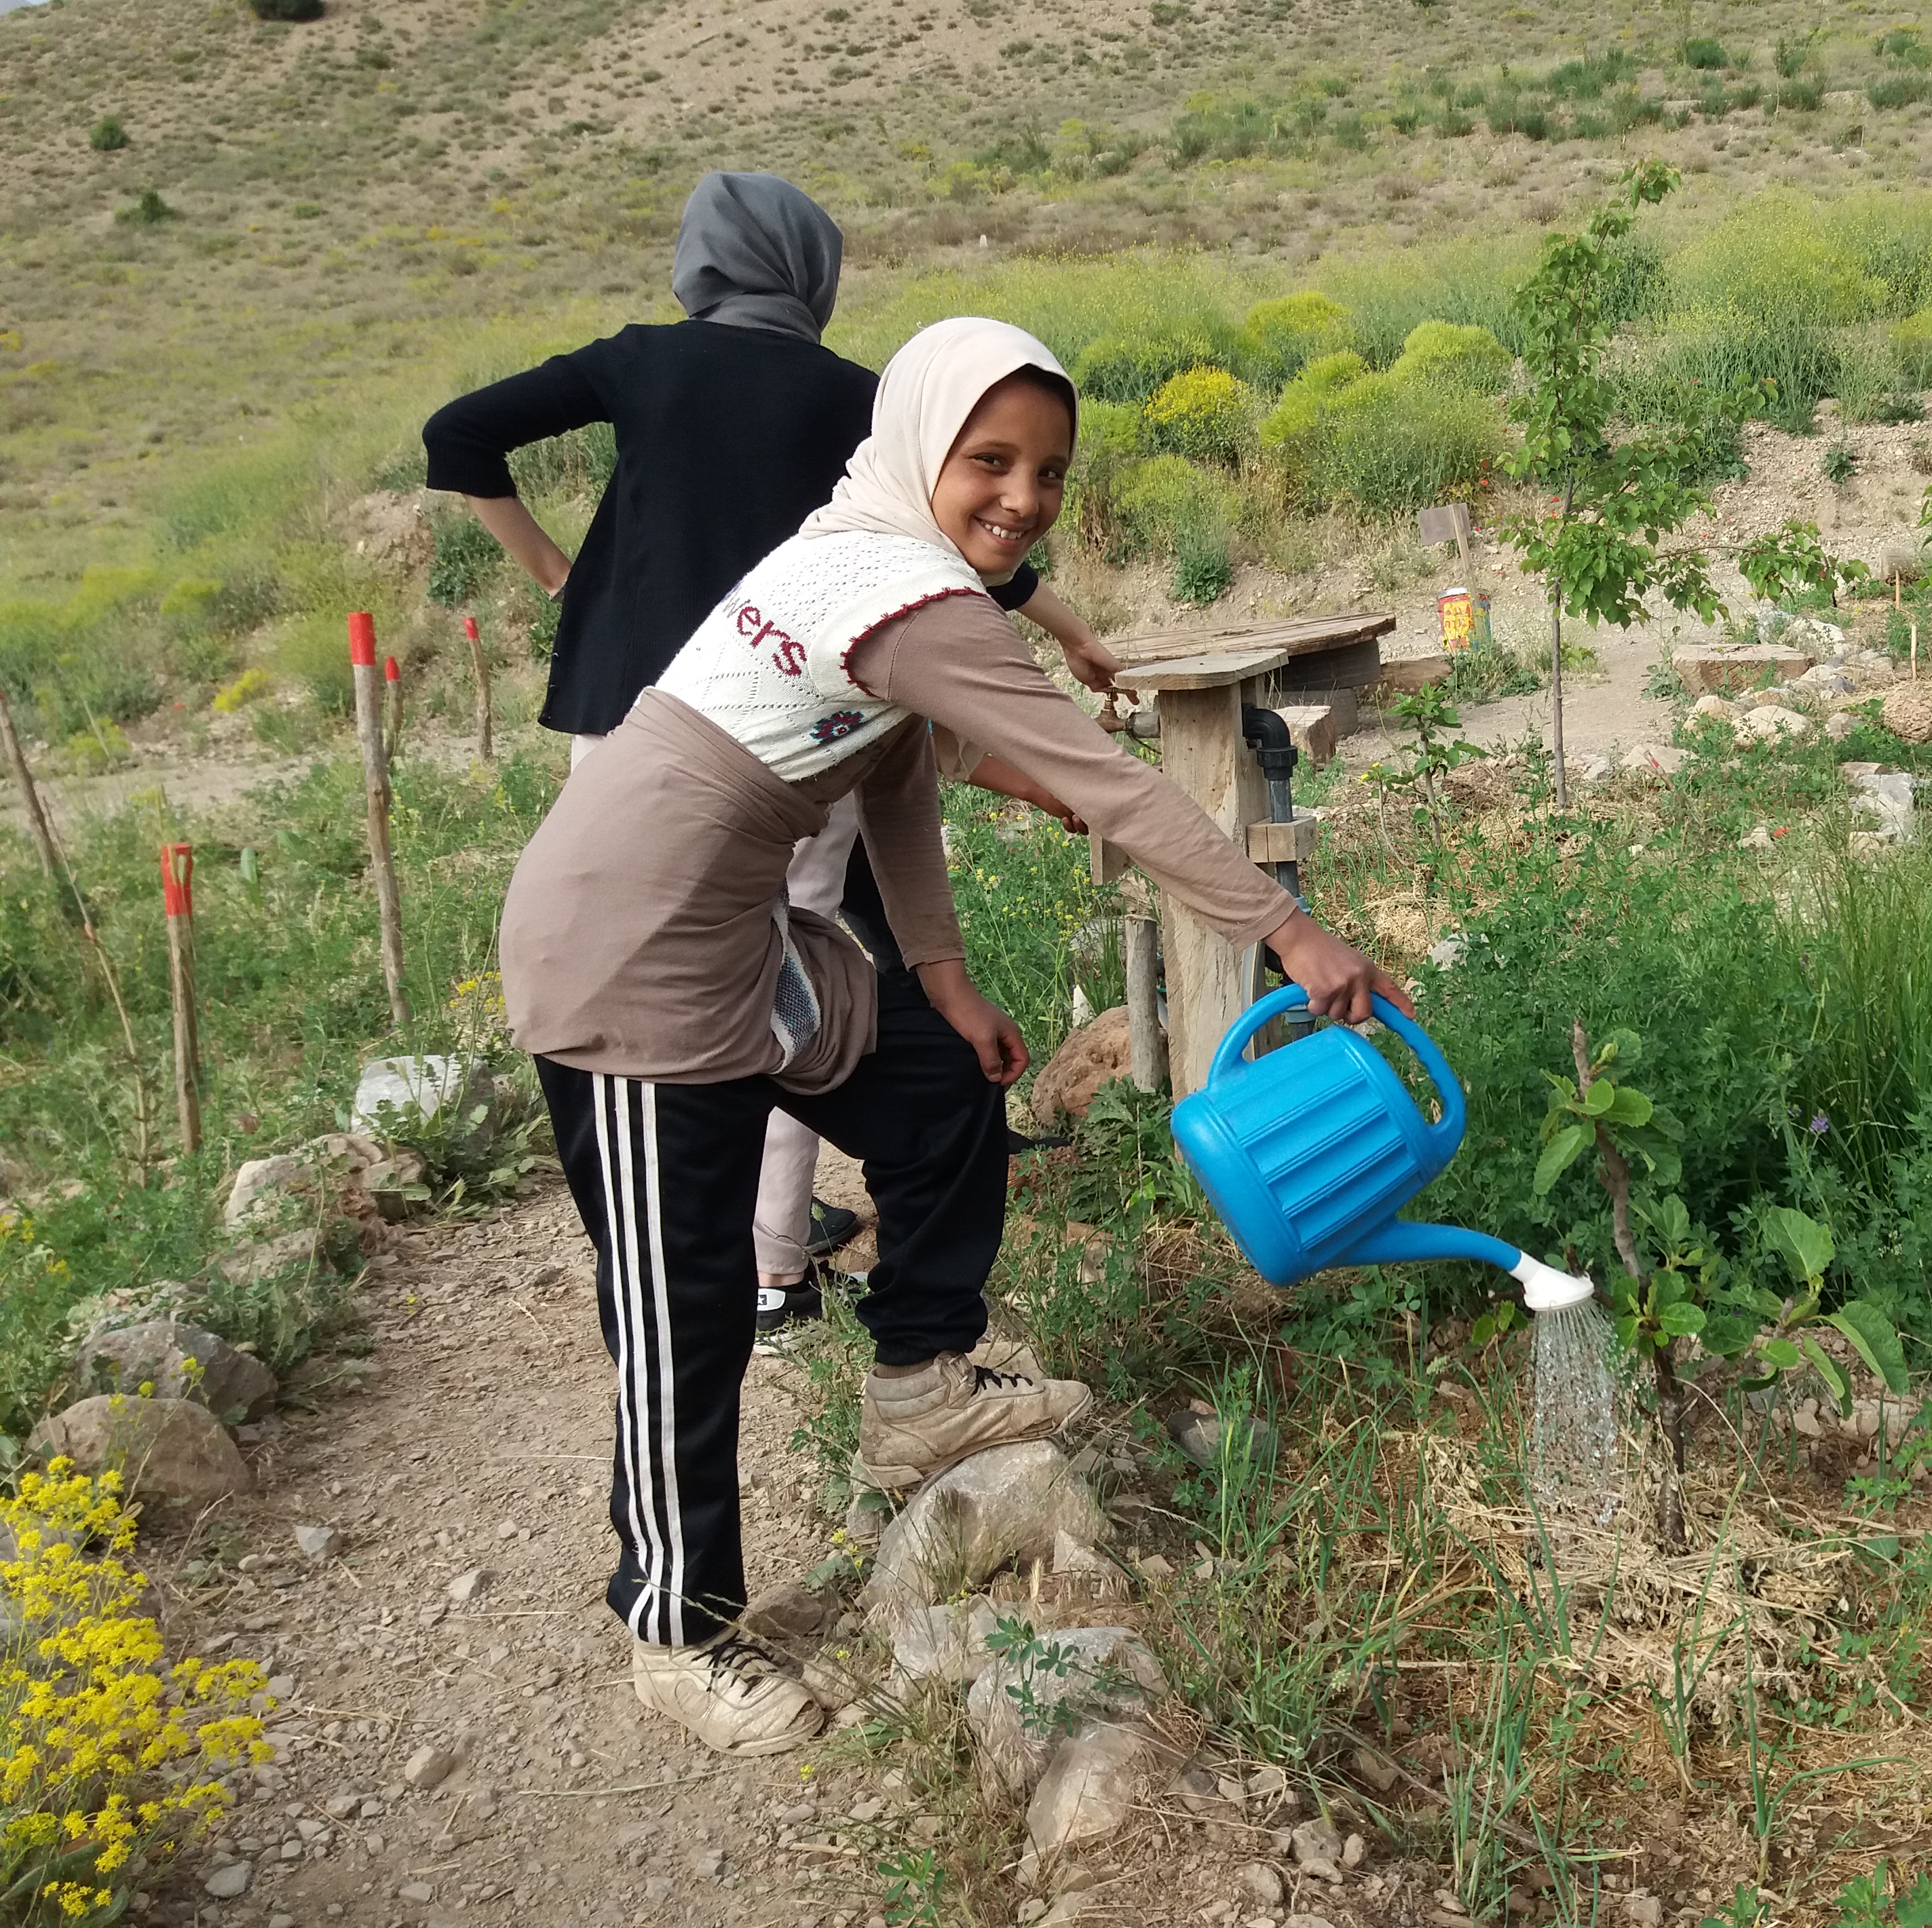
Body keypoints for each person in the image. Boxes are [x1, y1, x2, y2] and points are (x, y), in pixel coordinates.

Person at [497, 316, 1407, 1757]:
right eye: (992, 460)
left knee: (939, 1090)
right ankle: (678, 1628)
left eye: (1049, 472)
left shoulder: (888, 571)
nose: (1024, 498)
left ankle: (918, 1393)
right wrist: (1288, 929)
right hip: (622, 947)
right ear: (924, 444)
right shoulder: (894, 583)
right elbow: (1107, 783)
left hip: (742, 935)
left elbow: (894, 783)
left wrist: (940, 975)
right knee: (687, 1297)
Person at [421, 172, 1122, 1333]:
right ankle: (771, 1259)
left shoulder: (640, 361)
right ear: (815, 271)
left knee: (645, 965)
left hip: (632, 722)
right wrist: (1068, 634)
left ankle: (687, 1236)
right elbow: (963, 535)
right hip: (783, 718)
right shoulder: (852, 395)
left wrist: (562, 574)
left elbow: (459, 434)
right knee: (783, 983)